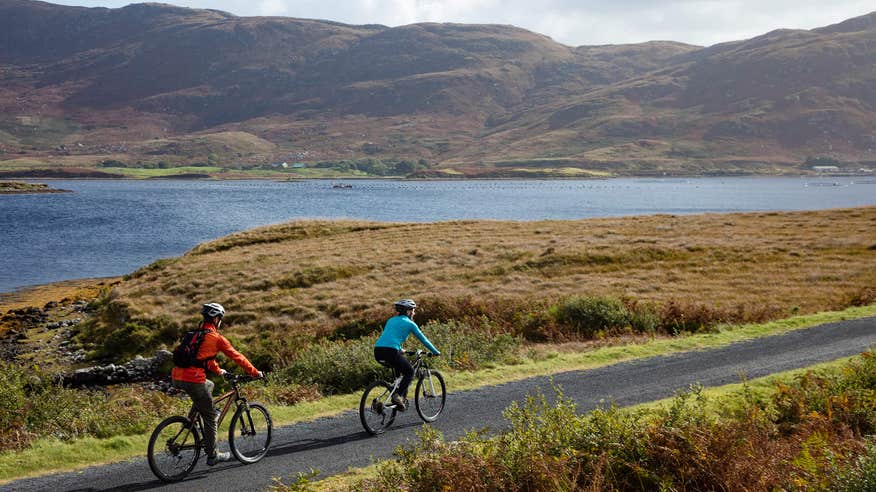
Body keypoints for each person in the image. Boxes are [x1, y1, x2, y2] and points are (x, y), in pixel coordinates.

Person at [171, 302, 263, 466]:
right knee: (211, 416)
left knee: (209, 385)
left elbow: (203, 360)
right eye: (220, 318)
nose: (220, 321)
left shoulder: (194, 334)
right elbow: (237, 356)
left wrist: (220, 371)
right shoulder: (216, 338)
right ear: (215, 318)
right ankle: (213, 454)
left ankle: (192, 421)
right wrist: (255, 373)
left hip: (177, 376)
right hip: (193, 379)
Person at [373, 299, 440, 410]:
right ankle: (398, 396)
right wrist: (435, 351)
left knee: (400, 374)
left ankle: (395, 399)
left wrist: (400, 349)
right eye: (413, 310)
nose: (414, 313)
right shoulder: (410, 324)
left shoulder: (390, 320)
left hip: (378, 351)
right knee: (410, 372)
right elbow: (424, 340)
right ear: (408, 311)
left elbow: (389, 337)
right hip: (391, 352)